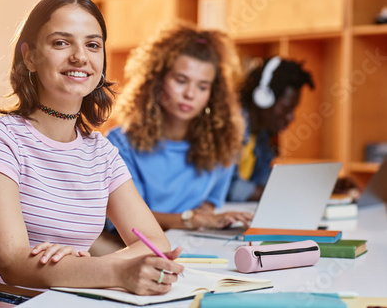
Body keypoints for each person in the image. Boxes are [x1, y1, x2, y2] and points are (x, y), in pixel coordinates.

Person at [0, 0, 184, 307]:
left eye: (92, 44)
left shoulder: (101, 153)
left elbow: (154, 242)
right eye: (61, 43)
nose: (80, 57)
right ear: (30, 56)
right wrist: (111, 270)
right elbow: (13, 264)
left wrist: (76, 265)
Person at [104, 22, 253, 235]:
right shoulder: (120, 143)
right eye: (181, 80)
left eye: (202, 86)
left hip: (189, 244)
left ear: (213, 93)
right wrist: (193, 220)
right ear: (157, 80)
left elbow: (209, 206)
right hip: (136, 249)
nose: (190, 94)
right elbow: (128, 220)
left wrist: (206, 218)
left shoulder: (222, 142)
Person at [226, 56, 315, 202]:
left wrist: (312, 186)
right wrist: (279, 192)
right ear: (263, 97)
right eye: (286, 108)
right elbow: (227, 188)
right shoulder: (229, 127)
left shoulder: (261, 135)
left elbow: (262, 180)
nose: (291, 117)